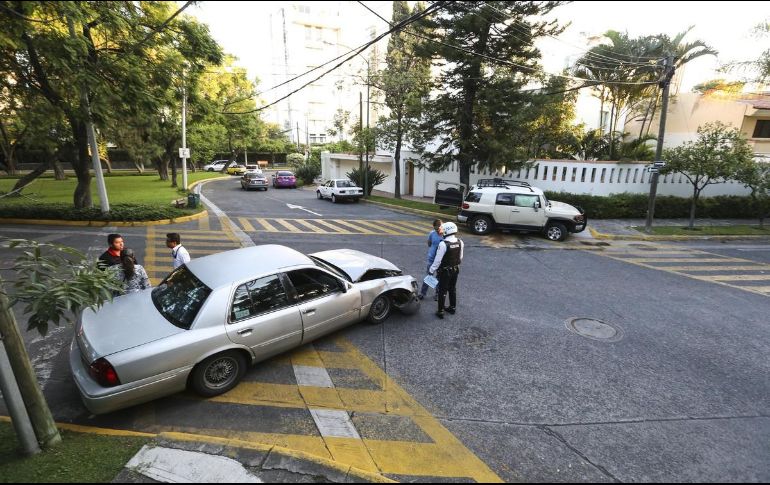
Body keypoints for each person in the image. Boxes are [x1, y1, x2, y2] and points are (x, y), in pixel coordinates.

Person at [429, 222, 464, 319]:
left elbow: (437, 260)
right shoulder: (460, 242)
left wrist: (431, 270)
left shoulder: (443, 244)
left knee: (442, 290)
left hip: (445, 271)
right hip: (455, 269)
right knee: (452, 289)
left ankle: (440, 311)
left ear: (447, 231)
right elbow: (460, 258)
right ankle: (452, 308)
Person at [418, 219, 443, 301]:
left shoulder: (445, 235)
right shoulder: (432, 233)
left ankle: (437, 293)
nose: (438, 229)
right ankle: (422, 293)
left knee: (439, 277)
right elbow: (429, 243)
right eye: (436, 227)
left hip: (440, 260)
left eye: (439, 226)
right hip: (431, 258)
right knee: (429, 276)